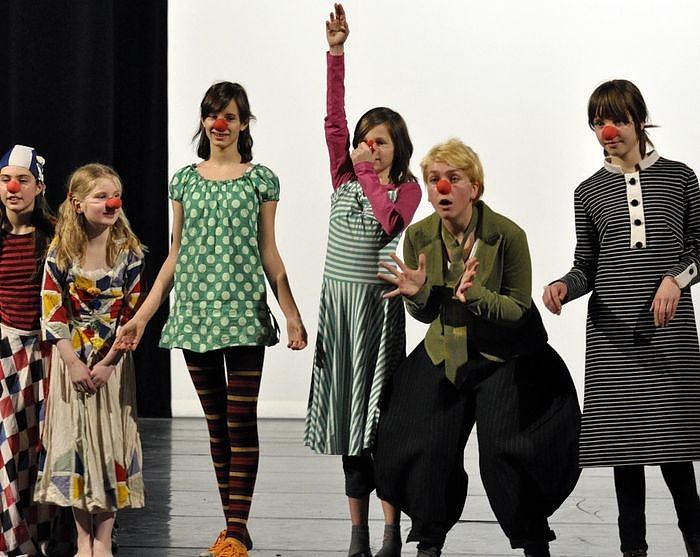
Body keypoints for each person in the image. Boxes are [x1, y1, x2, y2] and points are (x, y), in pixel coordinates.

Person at [114, 80, 307, 557]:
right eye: (212, 115)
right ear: (203, 121)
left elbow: (268, 251)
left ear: (243, 123)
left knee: (241, 420)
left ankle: (236, 531)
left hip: (242, 312)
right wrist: (143, 316)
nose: (220, 125)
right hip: (195, 315)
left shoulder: (260, 180)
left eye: (230, 117)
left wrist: (291, 313)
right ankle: (232, 526)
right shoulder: (184, 180)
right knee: (216, 423)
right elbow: (175, 254)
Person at [375, 138, 581, 557]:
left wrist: (477, 296)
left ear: (475, 187)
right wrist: (419, 294)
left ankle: (533, 544)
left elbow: (517, 308)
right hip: (447, 351)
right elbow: (424, 314)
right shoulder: (419, 236)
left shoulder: (507, 235)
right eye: (434, 179)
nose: (442, 187)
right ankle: (428, 543)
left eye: (454, 178)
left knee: (506, 452)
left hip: (504, 355)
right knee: (425, 445)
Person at [542, 79, 700, 557]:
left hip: (668, 338)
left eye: (616, 120)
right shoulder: (587, 192)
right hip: (613, 342)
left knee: (676, 457)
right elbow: (586, 265)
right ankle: (633, 551)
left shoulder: (681, 178)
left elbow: (699, 249)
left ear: (639, 119)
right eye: (597, 123)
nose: (607, 131)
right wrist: (564, 286)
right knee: (624, 458)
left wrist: (675, 279)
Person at [302, 4, 422, 557]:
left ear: (398, 148)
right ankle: (358, 533)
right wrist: (336, 53)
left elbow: (388, 223)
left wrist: (371, 173)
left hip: (376, 313)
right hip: (340, 309)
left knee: (380, 424)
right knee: (352, 427)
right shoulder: (344, 176)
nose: (369, 148)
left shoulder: (405, 190)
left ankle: (392, 530)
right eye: (364, 140)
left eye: (381, 142)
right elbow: (333, 120)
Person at [33, 163, 145, 557]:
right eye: (101, 196)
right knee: (77, 443)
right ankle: (83, 540)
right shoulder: (61, 251)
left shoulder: (129, 252)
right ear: (78, 203)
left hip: (111, 364)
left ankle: (104, 539)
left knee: (111, 443)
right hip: (73, 362)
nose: (112, 203)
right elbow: (51, 309)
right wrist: (72, 362)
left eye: (115, 196)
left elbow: (132, 313)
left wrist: (110, 361)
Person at [0, 145, 55, 556]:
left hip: (47, 350)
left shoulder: (54, 236)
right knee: (7, 447)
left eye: (23, 180)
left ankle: (49, 536)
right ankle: (12, 538)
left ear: (39, 187)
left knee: (43, 444)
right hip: (6, 349)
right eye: (5, 179)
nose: (13, 188)